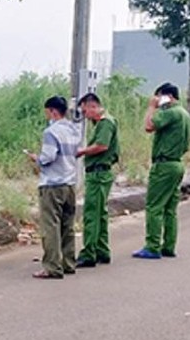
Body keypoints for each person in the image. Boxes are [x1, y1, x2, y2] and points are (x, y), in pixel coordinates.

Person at [133, 83, 190, 259]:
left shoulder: (172, 112)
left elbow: (149, 126)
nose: (157, 100)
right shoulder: (185, 115)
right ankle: (169, 245)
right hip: (177, 164)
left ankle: (152, 246)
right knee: (170, 209)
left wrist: (151, 107)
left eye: (159, 97)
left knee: (154, 206)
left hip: (164, 165)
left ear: (168, 96)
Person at [26, 96, 81, 279]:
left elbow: (48, 157)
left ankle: (52, 266)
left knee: (51, 226)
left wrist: (36, 158)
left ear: (53, 111)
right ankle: (68, 263)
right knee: (68, 225)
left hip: (52, 184)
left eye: (47, 112)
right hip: (70, 183)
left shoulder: (51, 132)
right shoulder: (73, 130)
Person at [75, 93, 120, 267]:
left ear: (92, 106)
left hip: (98, 173)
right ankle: (102, 250)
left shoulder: (105, 123)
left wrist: (82, 152)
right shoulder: (105, 122)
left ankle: (89, 253)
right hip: (101, 172)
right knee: (100, 213)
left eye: (85, 110)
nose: (85, 115)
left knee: (92, 213)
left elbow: (102, 145)